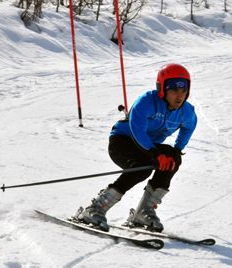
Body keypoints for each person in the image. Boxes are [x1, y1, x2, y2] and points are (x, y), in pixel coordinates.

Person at [76, 63, 197, 232]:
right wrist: (153, 153)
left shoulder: (187, 111)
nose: (179, 96)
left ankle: (144, 211)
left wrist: (177, 149)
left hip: (149, 146)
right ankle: (96, 208)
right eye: (174, 90)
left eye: (183, 91)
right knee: (141, 167)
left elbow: (189, 127)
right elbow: (137, 130)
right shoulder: (147, 102)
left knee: (172, 159)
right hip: (122, 141)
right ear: (162, 89)